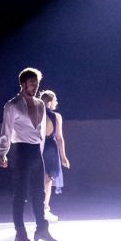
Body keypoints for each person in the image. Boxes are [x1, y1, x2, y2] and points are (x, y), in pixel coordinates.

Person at [0, 67, 59, 241]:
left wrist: (41, 155)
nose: (35, 86)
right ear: (23, 84)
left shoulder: (40, 105)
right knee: (20, 195)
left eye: (37, 83)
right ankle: (20, 234)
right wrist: (2, 153)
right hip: (21, 151)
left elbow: (40, 134)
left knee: (39, 193)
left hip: (35, 153)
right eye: (31, 83)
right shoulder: (12, 105)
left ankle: (42, 229)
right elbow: (5, 131)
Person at [40, 90, 70, 222]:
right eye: (55, 100)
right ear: (50, 102)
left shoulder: (35, 113)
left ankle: (41, 209)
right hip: (49, 148)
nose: (56, 103)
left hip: (36, 147)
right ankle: (44, 209)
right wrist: (63, 157)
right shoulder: (56, 116)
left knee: (40, 179)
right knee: (47, 180)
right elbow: (59, 138)